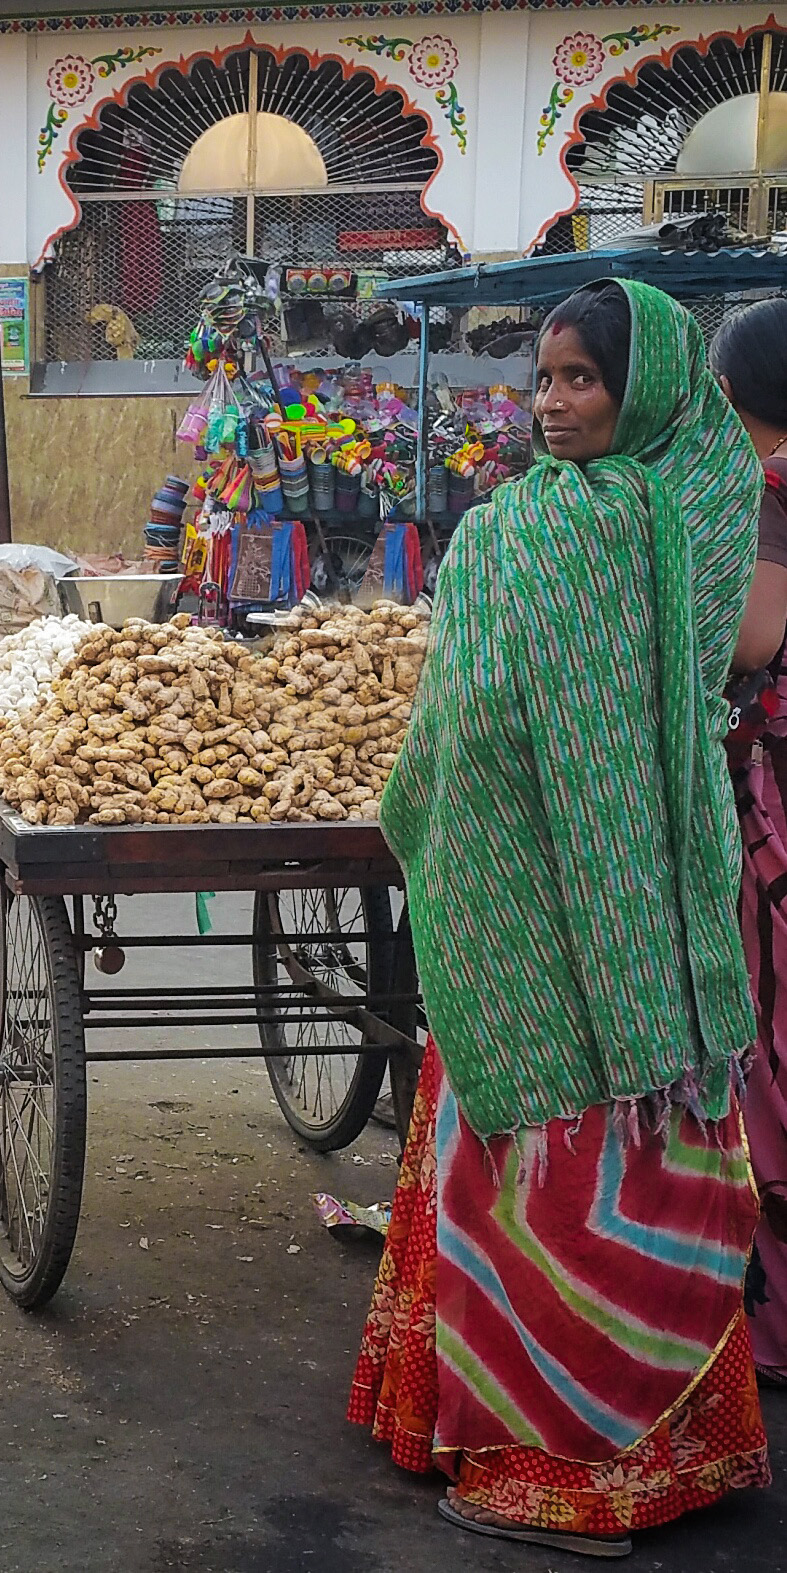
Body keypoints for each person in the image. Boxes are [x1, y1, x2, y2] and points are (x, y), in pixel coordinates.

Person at [348, 279, 771, 1558]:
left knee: (553, 1139)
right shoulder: (674, 502)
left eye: (580, 378)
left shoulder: (577, 522)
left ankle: (566, 1469)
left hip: (578, 889)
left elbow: (482, 726)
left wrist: (424, 804)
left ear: (640, 387)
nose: (550, 404)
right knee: (610, 1128)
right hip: (597, 898)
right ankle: (646, 1445)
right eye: (541, 380)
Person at [711, 296, 787, 1388]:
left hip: (776, 794)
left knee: (769, 1044)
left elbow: (752, 636)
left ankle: (770, 1333)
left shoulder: (768, 488)